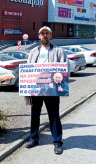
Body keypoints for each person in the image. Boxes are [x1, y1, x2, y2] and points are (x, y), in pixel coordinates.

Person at [24, 26, 68, 155]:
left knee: (54, 116)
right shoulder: (33, 52)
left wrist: (60, 86)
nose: (44, 35)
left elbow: (65, 69)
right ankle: (33, 139)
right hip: (36, 88)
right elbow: (28, 69)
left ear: (50, 35)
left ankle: (58, 142)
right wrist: (27, 89)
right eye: (42, 33)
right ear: (39, 36)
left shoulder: (59, 51)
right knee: (35, 114)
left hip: (52, 89)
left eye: (47, 33)